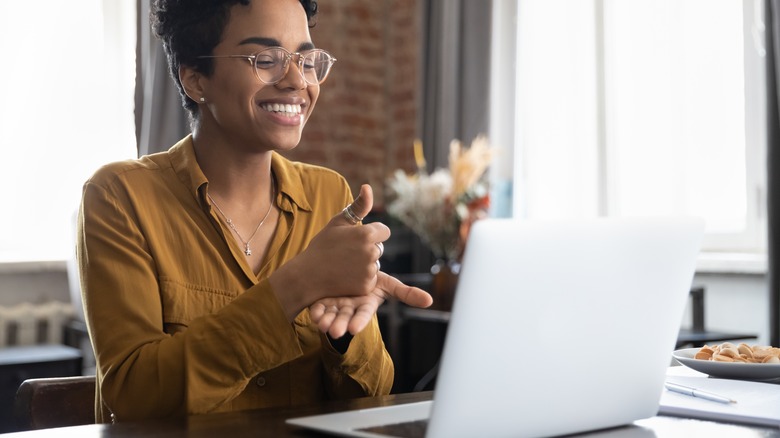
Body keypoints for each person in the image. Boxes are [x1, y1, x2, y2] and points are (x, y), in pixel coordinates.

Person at [76, 0, 432, 423]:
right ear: (194, 78)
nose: (297, 80)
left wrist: (349, 334)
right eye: (266, 59)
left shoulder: (328, 194)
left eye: (307, 59)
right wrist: (295, 285)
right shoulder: (120, 196)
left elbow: (373, 394)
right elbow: (134, 397)